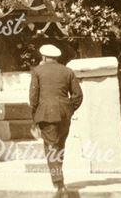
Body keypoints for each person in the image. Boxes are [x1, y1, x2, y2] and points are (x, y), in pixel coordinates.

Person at [29, 44, 82, 198]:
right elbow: (78, 95)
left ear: (44, 57)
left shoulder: (37, 71)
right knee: (59, 146)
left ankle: (60, 184)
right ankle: (59, 179)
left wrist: (34, 115)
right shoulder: (68, 71)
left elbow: (33, 96)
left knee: (51, 148)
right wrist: (70, 109)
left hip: (46, 113)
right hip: (64, 113)